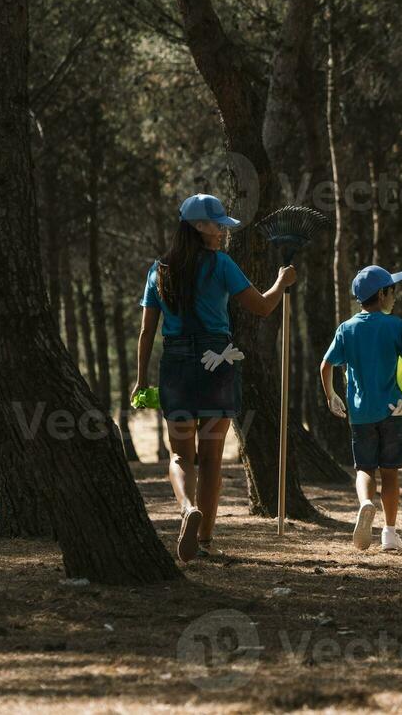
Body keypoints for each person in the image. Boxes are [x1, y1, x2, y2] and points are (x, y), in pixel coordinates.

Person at [133, 193, 297, 563]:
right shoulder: (222, 265)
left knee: (179, 455)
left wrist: (141, 379)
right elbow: (262, 306)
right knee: (211, 459)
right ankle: (205, 539)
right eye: (217, 225)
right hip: (216, 364)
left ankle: (187, 508)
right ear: (197, 227)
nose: (223, 232)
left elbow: (147, 332)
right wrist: (281, 282)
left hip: (176, 364)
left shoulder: (159, 270)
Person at [320, 265, 402, 553]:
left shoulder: (346, 328)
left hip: (359, 413)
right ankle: (389, 533)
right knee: (391, 472)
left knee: (364, 468)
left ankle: (365, 504)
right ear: (382, 294)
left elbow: (326, 365)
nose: (395, 297)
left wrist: (331, 395)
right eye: (392, 291)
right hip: (392, 410)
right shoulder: (396, 326)